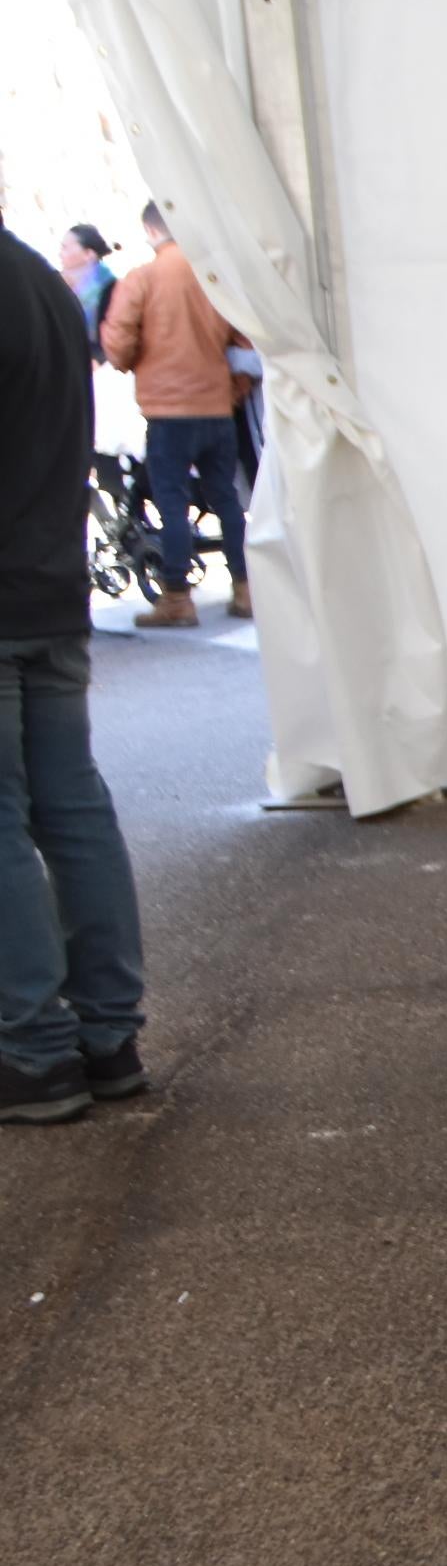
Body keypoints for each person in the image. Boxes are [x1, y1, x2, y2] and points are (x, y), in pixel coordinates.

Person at [0, 229, 150, 1124]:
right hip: (50, 585)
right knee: (73, 809)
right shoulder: (45, 285)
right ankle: (106, 1035)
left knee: (11, 821)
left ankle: (34, 1047)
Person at [99, 203, 251, 627]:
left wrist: (134, 361)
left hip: (168, 411)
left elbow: (117, 344)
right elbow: (245, 343)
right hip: (216, 407)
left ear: (151, 230)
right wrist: (232, 391)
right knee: (226, 499)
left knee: (172, 503)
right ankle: (246, 588)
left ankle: (178, 599)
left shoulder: (143, 278)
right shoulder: (214, 279)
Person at [57, 224, 116, 358]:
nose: (60, 254)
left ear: (88, 254)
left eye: (65, 248)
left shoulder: (111, 289)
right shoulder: (58, 285)